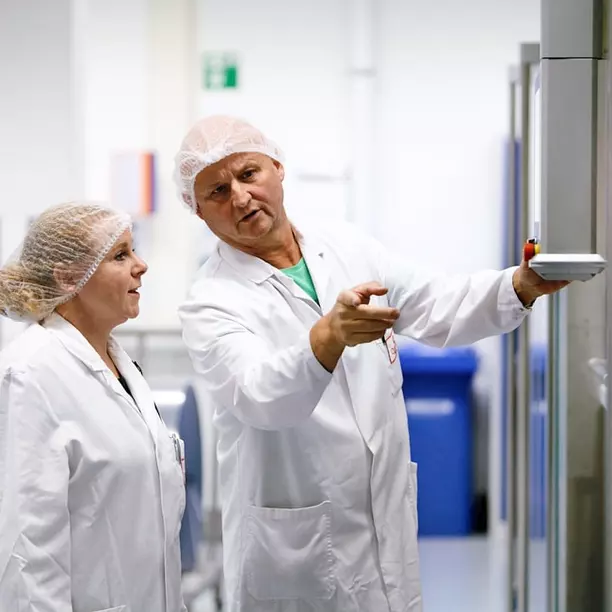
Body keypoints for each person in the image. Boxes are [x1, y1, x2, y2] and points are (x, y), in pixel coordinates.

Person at [174, 116, 569, 612]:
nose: (239, 197)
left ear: (277, 168)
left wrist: (521, 284)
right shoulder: (211, 303)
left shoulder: (345, 246)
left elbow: (436, 302)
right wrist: (326, 337)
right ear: (198, 211)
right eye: (216, 190)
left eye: (248, 174)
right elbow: (258, 396)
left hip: (382, 531)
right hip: (295, 554)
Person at [0, 203, 186, 612]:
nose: (141, 266)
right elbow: (29, 551)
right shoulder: (31, 374)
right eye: (120, 255)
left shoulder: (120, 366)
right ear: (69, 277)